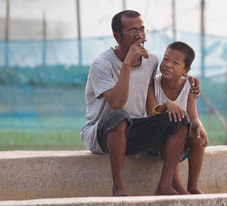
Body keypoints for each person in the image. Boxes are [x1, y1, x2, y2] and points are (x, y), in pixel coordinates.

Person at [80, 10, 200, 196]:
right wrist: (127, 63)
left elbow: (166, 78)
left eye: (142, 29)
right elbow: (117, 103)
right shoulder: (101, 64)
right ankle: (119, 188)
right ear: (117, 37)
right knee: (120, 116)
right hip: (102, 133)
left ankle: (164, 187)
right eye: (133, 31)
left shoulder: (150, 60)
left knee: (180, 119)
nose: (140, 35)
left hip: (136, 130)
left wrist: (189, 80)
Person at [146, 41, 209, 195]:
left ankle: (192, 186)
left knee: (198, 139)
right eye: (165, 59)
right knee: (174, 133)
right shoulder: (153, 83)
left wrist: (200, 127)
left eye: (175, 62)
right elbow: (150, 113)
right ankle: (176, 186)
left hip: (178, 137)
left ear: (186, 70)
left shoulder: (189, 86)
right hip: (154, 139)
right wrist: (167, 105)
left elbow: (193, 117)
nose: (168, 64)